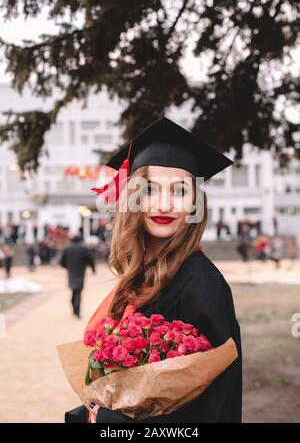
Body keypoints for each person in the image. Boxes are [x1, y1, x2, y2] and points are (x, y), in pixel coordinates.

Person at [65, 116, 242, 423]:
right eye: (149, 190)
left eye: (179, 191)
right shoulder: (141, 276)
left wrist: (110, 423)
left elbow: (214, 410)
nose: (163, 204)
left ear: (195, 202)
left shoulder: (202, 283)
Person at [60, 235, 96, 318]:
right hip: (80, 272)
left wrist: (68, 267)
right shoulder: (84, 248)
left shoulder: (67, 248)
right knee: (78, 292)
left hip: (71, 272)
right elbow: (90, 260)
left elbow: (62, 262)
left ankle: (74, 308)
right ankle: (77, 311)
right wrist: (93, 269)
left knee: (73, 291)